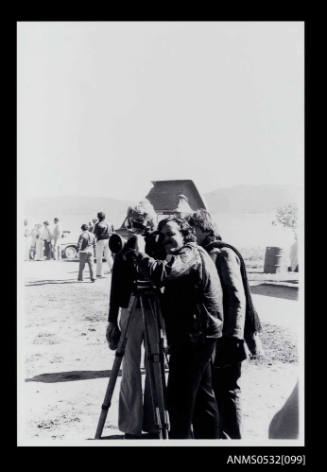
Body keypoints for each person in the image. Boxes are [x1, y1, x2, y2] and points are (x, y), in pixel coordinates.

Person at [122, 215, 224, 439]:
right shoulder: (187, 253)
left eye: (172, 234)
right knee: (202, 399)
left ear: (185, 234)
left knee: (179, 400)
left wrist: (139, 254)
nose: (167, 239)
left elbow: (164, 273)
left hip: (195, 337)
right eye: (163, 235)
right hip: (199, 334)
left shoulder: (190, 253)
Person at [187, 209, 263, 439]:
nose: (190, 235)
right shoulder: (208, 252)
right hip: (217, 337)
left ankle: (234, 439)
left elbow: (236, 298)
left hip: (228, 339)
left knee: (228, 391)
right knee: (217, 391)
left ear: (202, 229)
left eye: (192, 230)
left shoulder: (222, 253)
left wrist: (233, 338)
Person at [106, 202, 159, 439]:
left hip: (148, 306)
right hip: (133, 305)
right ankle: (136, 424)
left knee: (153, 366)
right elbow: (116, 283)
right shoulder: (128, 245)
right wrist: (111, 320)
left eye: (140, 220)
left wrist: (111, 319)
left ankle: (149, 422)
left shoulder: (156, 243)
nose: (139, 224)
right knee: (136, 366)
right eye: (137, 220)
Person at [93, 212, 113, 278]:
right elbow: (111, 232)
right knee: (108, 256)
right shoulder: (108, 224)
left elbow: (94, 233)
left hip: (100, 241)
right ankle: (114, 270)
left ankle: (99, 273)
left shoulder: (97, 224)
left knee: (99, 257)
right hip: (108, 240)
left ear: (98, 217)